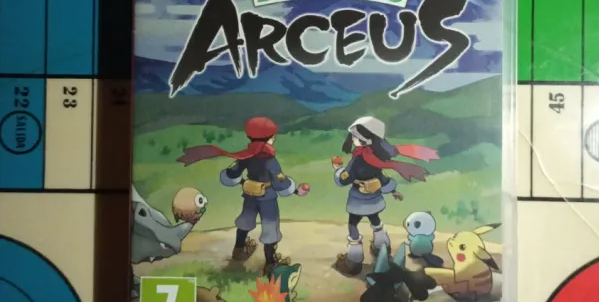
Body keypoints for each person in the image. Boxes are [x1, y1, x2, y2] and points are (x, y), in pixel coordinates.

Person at [178, 117, 309, 272]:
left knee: (245, 221)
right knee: (270, 228)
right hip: (267, 198)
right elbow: (280, 182)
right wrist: (296, 190)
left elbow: (232, 173)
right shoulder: (270, 160)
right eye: (273, 135)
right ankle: (271, 263)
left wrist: (242, 182)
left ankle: (239, 250)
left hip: (249, 195)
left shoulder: (246, 156)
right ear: (270, 138)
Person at [332, 116, 438, 277]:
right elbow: (382, 178)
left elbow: (345, 179)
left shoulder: (358, 159)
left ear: (365, 140)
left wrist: (338, 170)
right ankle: (381, 248)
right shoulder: (376, 158)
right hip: (374, 198)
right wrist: (392, 190)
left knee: (353, 225)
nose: (352, 139)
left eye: (355, 136)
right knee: (376, 221)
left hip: (358, 200)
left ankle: (353, 260)